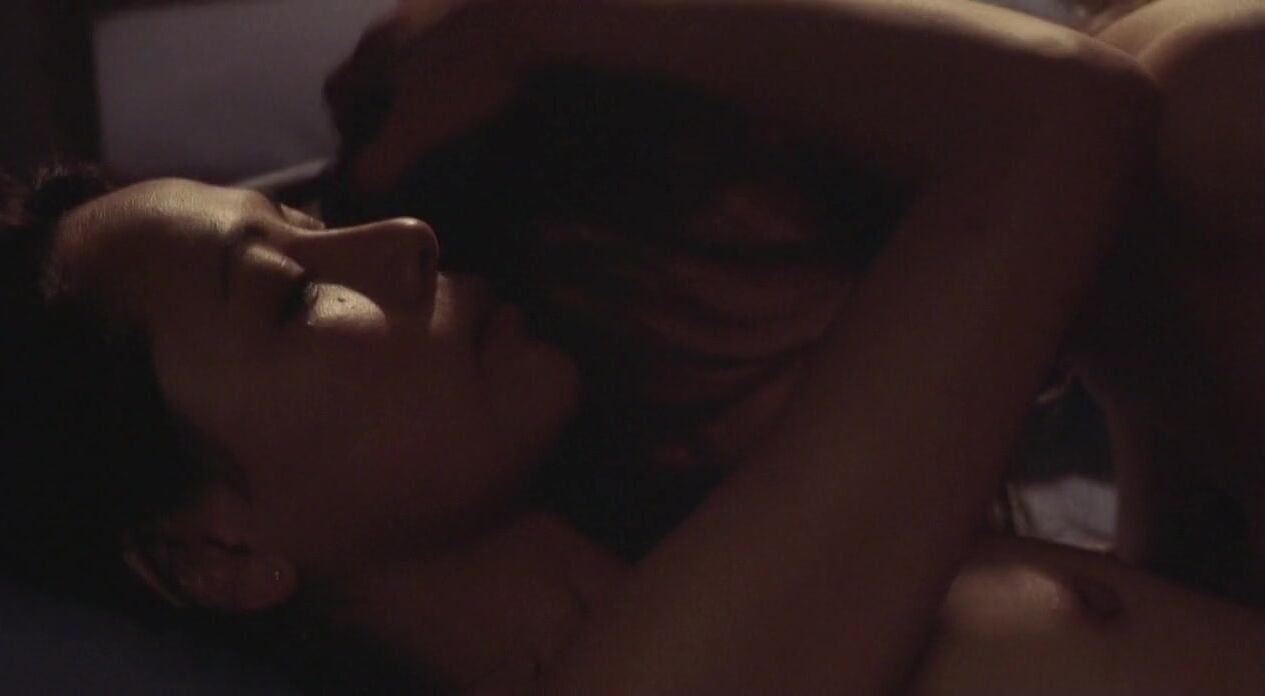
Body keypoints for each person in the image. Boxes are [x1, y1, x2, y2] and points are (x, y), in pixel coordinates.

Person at [0, 1, 1259, 694]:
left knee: (1188, 103)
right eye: (290, 296)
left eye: (318, 225)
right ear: (217, 553)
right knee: (1193, 93)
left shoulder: (700, 556)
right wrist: (537, 20)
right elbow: (1064, 106)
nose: (404, 241)